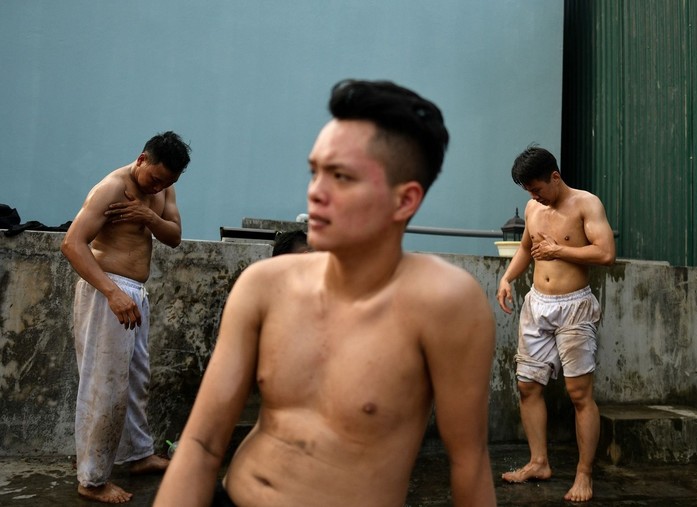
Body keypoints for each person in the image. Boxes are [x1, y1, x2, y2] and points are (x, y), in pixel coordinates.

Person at [154, 79, 496, 507]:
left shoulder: (446, 303)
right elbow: (202, 445)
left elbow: (469, 463)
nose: (316, 191)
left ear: (405, 201)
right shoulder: (265, 285)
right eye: (315, 171)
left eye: (341, 176)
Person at [61, 131, 191, 503]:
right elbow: (72, 244)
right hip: (108, 291)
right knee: (104, 384)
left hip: (134, 293)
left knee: (135, 380)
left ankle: (138, 455)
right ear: (141, 159)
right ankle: (91, 480)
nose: (158, 186)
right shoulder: (111, 188)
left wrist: (148, 215)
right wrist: (112, 292)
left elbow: (174, 237)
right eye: (155, 178)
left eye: (166, 182)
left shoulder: (163, 190)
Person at [497, 146, 615, 502]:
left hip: (574, 306)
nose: (534, 197)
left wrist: (559, 251)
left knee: (579, 394)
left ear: (555, 176)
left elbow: (606, 253)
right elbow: (525, 248)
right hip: (537, 305)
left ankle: (584, 474)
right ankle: (539, 462)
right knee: (527, 386)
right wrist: (507, 278)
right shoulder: (534, 208)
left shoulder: (586, 204)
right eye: (529, 192)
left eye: (537, 189)